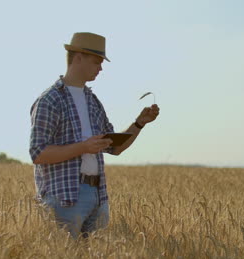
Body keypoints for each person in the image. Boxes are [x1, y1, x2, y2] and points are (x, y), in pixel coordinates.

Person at [29, 32, 160, 238]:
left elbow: (114, 147)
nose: (101, 68)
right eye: (97, 61)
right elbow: (38, 153)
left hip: (98, 196)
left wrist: (139, 123)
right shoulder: (50, 100)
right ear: (78, 57)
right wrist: (83, 147)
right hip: (64, 197)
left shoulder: (93, 100)